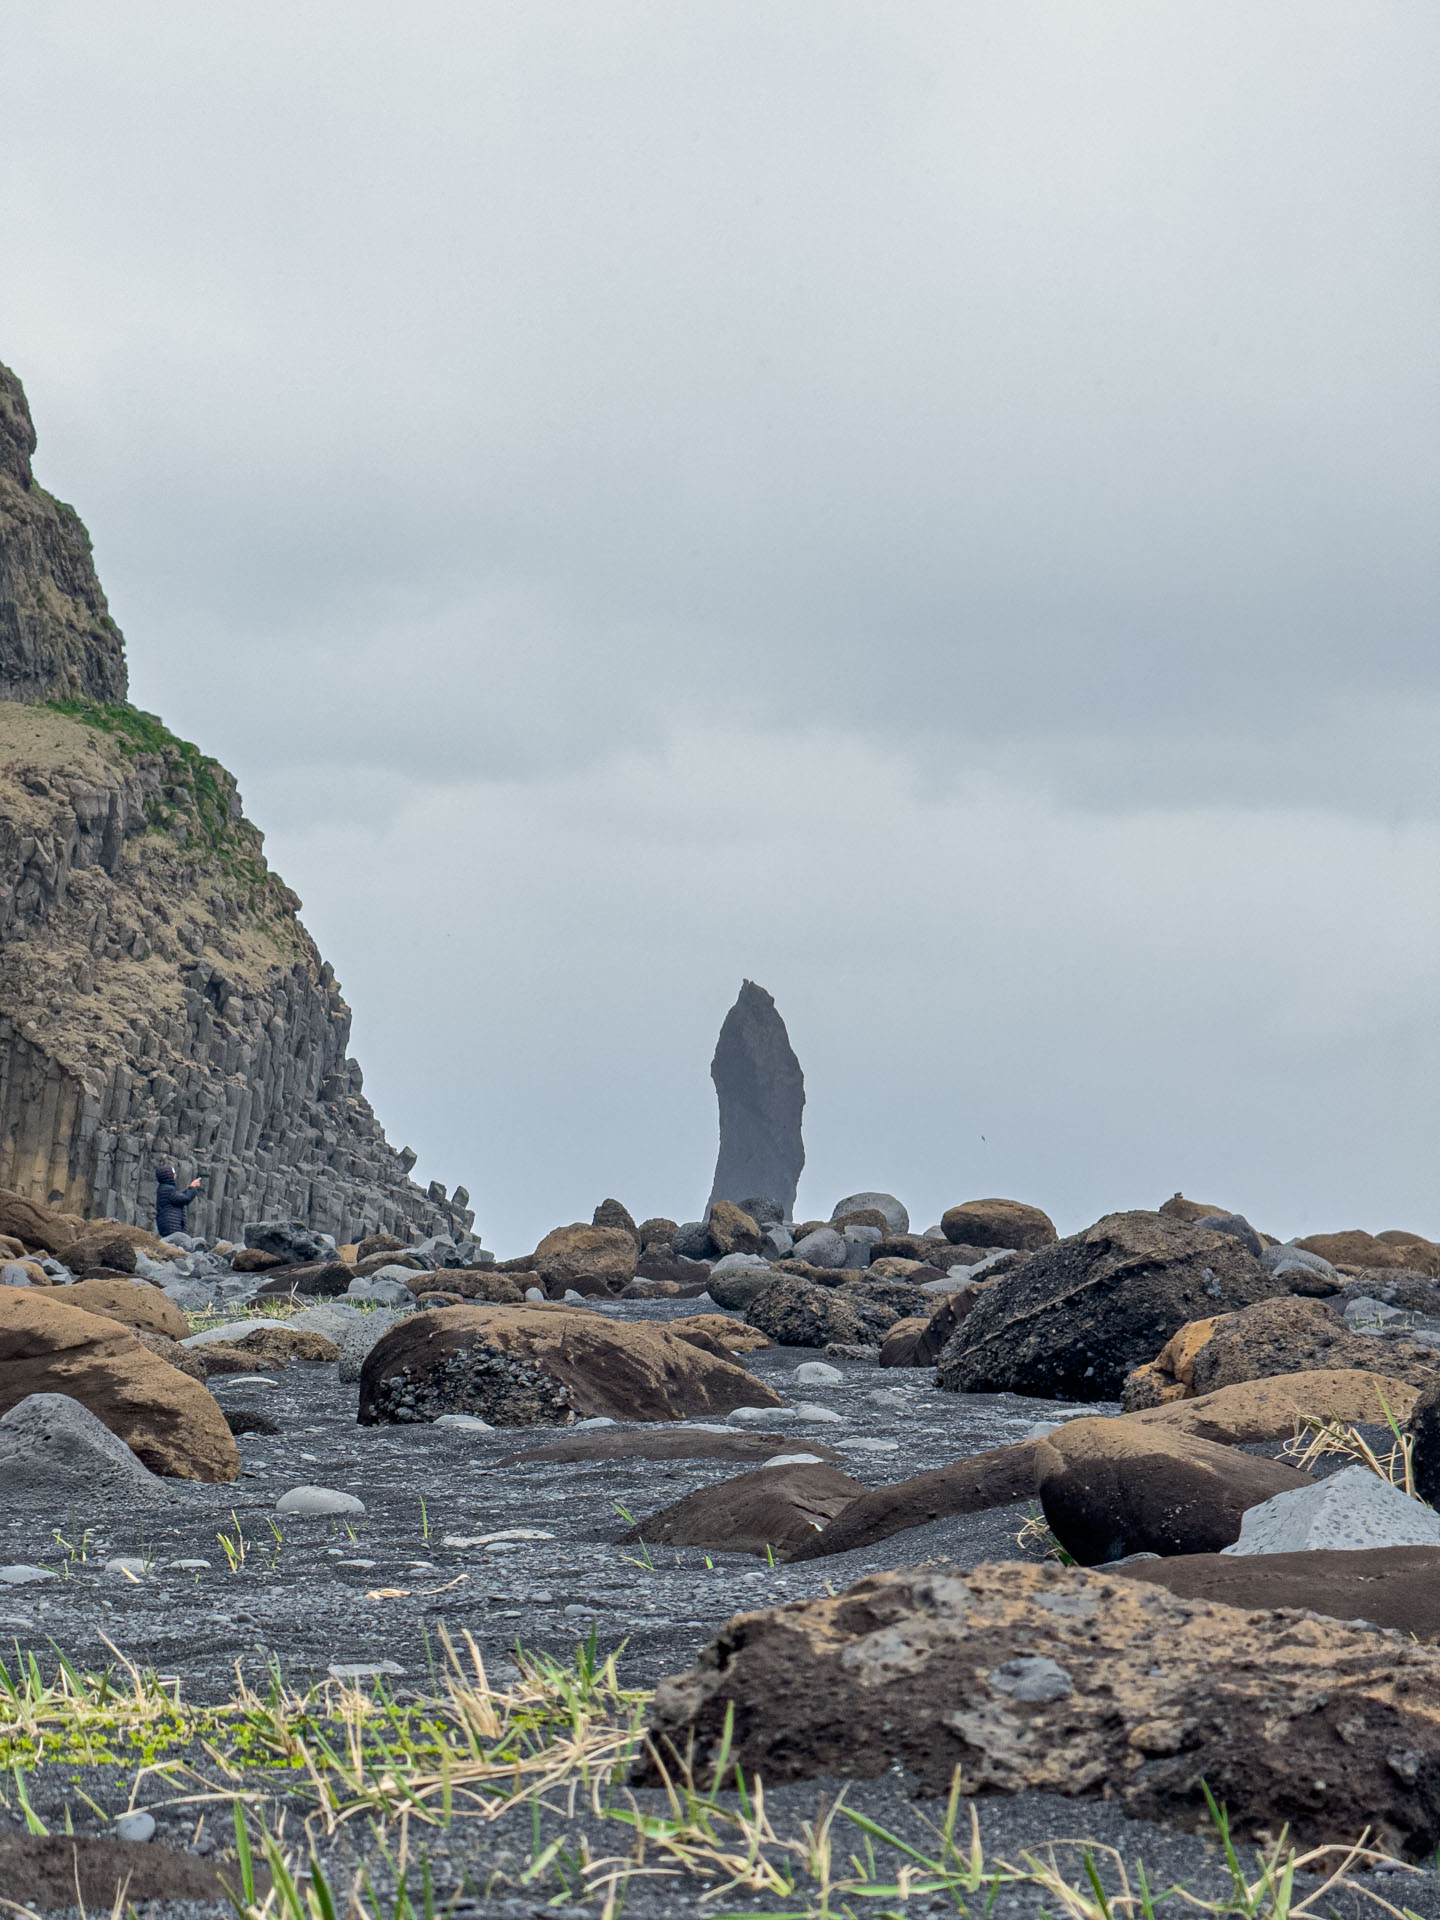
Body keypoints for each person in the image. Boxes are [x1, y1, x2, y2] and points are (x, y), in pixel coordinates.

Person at [155, 1165, 202, 1237]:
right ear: (167, 1176)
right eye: (173, 1174)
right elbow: (185, 1198)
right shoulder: (167, 1189)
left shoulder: (166, 1188)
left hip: (169, 1226)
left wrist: (190, 1188)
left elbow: (180, 1197)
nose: (175, 1175)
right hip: (170, 1226)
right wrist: (193, 1187)